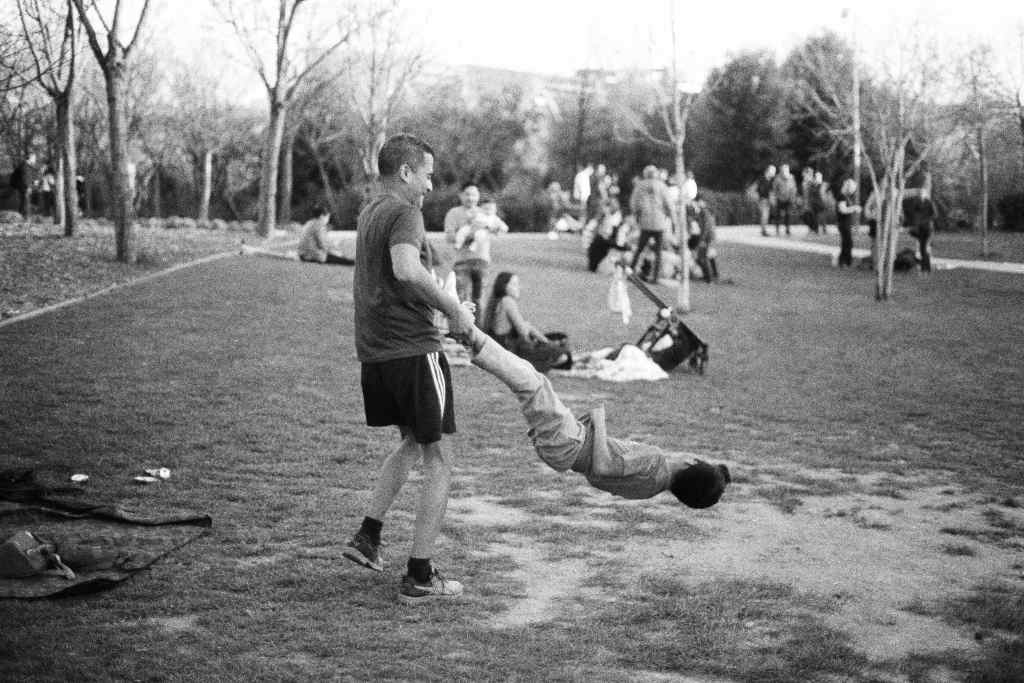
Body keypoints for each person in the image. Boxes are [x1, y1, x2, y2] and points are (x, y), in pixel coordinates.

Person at [342, 133, 476, 605]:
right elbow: (404, 268)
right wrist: (453, 310)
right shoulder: (404, 211)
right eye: (426, 173)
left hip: (377, 353)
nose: (431, 182)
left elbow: (397, 278)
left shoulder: (371, 212)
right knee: (441, 458)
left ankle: (368, 535)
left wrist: (442, 301)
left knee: (413, 445)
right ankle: (420, 576)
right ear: (405, 173)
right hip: (412, 350)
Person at [458, 324, 730, 505]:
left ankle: (468, 332)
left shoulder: (655, 463)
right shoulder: (650, 489)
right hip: (565, 451)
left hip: (569, 442)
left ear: (690, 462)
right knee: (531, 380)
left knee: (532, 382)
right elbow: (597, 477)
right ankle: (468, 337)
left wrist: (599, 423)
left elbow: (602, 468)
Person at [481, 271, 569, 373]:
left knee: (551, 345)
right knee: (563, 356)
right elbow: (523, 332)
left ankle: (544, 353)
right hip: (509, 350)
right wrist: (537, 336)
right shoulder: (507, 301)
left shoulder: (496, 301)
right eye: (514, 284)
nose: (518, 287)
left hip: (498, 348)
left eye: (518, 284)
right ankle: (539, 363)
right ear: (504, 287)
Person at [453, 196, 509, 317]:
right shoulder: (477, 215)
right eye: (485, 208)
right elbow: (470, 226)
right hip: (464, 260)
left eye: (491, 208)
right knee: (463, 297)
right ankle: (463, 325)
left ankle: (478, 327)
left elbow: (503, 228)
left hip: (482, 260)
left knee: (478, 298)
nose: (488, 210)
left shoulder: (494, 218)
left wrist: (496, 229)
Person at [629, 165, 674, 283]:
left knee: (639, 249)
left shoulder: (640, 186)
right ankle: (655, 277)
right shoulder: (662, 186)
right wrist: (670, 216)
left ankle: (630, 271)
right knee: (658, 251)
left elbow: (634, 203)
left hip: (646, 221)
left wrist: (637, 215)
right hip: (659, 222)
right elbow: (669, 203)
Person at [586, 198, 623, 272]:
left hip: (611, 240)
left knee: (598, 243)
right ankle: (593, 264)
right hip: (603, 238)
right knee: (595, 244)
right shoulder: (605, 215)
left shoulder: (617, 217)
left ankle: (596, 263)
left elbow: (614, 233)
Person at [687, 195, 718, 283]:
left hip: (706, 238)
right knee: (706, 256)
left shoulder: (704, 212)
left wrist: (702, 240)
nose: (696, 204)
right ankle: (711, 276)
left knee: (701, 258)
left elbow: (706, 228)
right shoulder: (703, 212)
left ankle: (709, 278)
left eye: (697, 202)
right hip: (707, 237)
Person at [907, 188, 935, 272]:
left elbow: (934, 215)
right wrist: (913, 225)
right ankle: (924, 268)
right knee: (922, 249)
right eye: (919, 194)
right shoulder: (916, 203)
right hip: (919, 229)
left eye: (922, 193)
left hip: (927, 228)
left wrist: (924, 220)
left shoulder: (929, 203)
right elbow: (913, 216)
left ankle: (927, 268)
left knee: (924, 248)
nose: (920, 195)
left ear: (925, 194)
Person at [835, 178, 861, 268]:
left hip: (846, 223)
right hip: (843, 223)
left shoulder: (846, 196)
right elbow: (842, 210)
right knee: (848, 242)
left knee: (846, 242)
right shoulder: (841, 196)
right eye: (853, 189)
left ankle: (843, 261)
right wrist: (854, 208)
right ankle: (846, 262)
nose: (853, 191)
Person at [772, 164, 798, 236]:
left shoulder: (791, 177)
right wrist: (775, 197)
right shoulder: (777, 178)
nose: (785, 171)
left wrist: (793, 197)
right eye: (783, 169)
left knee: (788, 215)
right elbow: (774, 189)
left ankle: (787, 229)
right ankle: (777, 229)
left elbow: (794, 188)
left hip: (789, 199)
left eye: (786, 169)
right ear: (781, 170)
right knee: (778, 215)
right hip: (779, 199)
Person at [10, 153, 37, 219]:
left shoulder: (27, 165)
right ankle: (25, 217)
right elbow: (25, 178)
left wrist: (34, 181)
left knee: (24, 201)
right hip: (24, 187)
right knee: (26, 201)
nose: (35, 160)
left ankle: (21, 216)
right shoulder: (25, 166)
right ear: (30, 158)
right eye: (34, 158)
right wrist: (28, 186)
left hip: (23, 186)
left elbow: (29, 176)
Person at [756, 165, 776, 237]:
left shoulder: (770, 180)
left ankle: (764, 230)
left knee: (766, 215)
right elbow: (760, 190)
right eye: (773, 171)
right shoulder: (762, 179)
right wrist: (768, 195)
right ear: (768, 171)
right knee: (764, 215)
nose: (774, 173)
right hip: (763, 200)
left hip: (767, 200)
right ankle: (763, 230)